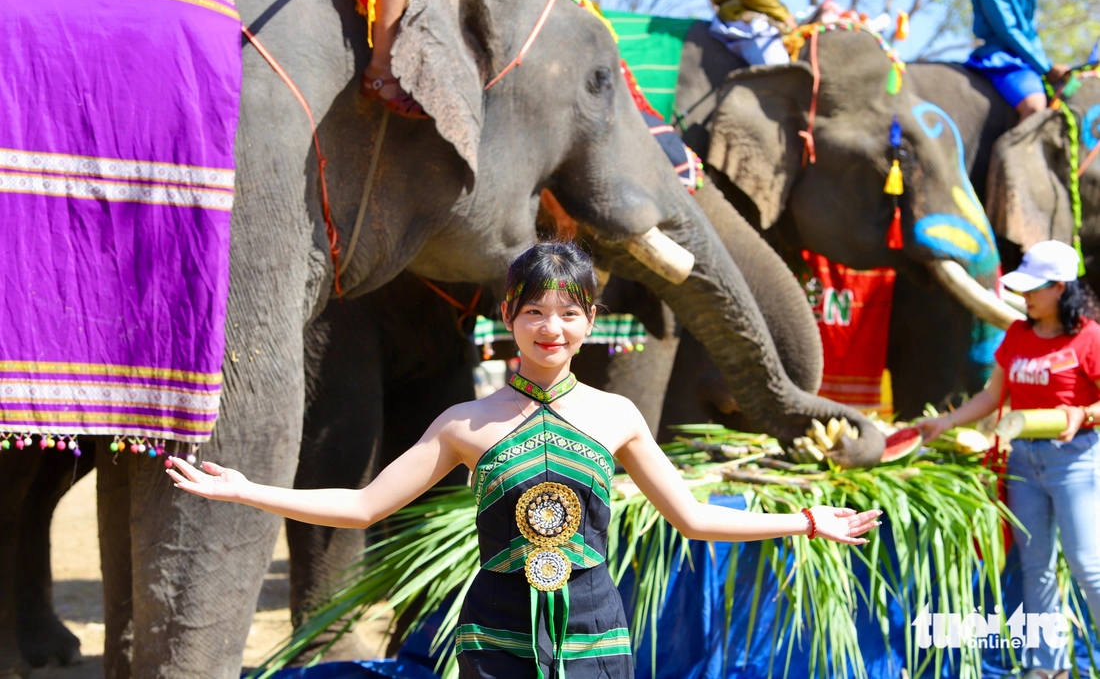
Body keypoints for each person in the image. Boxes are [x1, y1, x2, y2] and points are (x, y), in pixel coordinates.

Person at [167, 241, 881, 678]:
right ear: (507, 317)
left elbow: (692, 519)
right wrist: (248, 489)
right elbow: (362, 505)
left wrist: (807, 522)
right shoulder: (465, 424)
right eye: (535, 310)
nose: (552, 327)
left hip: (596, 630)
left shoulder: (616, 417)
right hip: (494, 631)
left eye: (569, 312)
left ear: (589, 324)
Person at [917, 240, 1100, 679]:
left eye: (1034, 289)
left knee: (1086, 565)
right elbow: (993, 395)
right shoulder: (1018, 332)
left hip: (1075, 460)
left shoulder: (1089, 337)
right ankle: (1047, 666)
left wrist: (1083, 413)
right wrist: (945, 423)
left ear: (1060, 287)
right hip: (1021, 463)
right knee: (1034, 566)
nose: (1025, 297)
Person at [965, 0, 1069, 120]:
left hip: (1027, 57)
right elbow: (1008, 32)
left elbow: (1029, 30)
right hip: (1000, 58)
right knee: (1034, 106)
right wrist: (1045, 67)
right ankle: (1012, 147)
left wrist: (1044, 61)